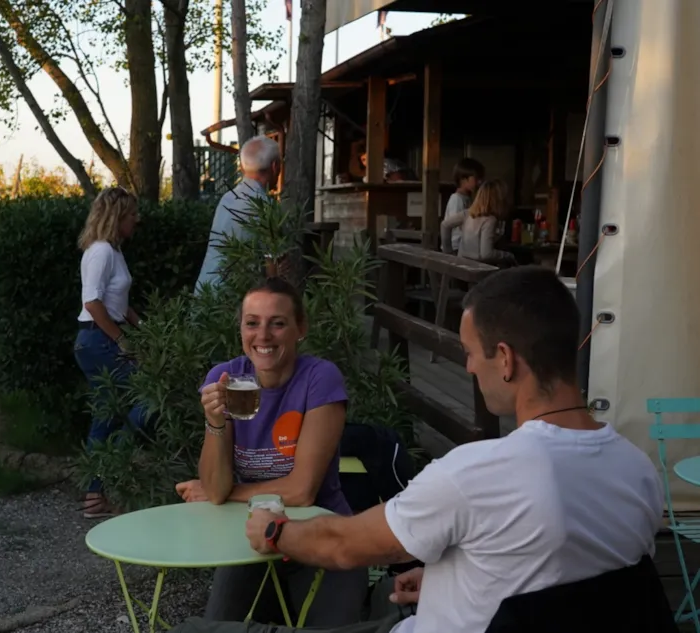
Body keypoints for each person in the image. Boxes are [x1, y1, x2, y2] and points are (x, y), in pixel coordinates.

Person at [175, 266, 663, 633]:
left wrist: (275, 529)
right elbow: (564, 583)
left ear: (507, 361)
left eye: (470, 354)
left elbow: (341, 545)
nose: (469, 369)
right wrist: (450, 578)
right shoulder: (638, 470)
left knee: (192, 629)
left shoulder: (477, 473)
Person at [175, 277, 369, 627]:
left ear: (300, 329)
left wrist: (228, 493)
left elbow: (301, 491)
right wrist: (214, 421)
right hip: (251, 538)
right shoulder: (226, 378)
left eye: (277, 323)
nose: (262, 336)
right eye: (252, 323)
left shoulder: (319, 379)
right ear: (241, 329)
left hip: (322, 533)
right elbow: (215, 490)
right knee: (221, 626)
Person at [74, 187, 148, 519]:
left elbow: (118, 302)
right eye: (132, 214)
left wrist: (143, 327)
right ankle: (111, 468)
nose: (137, 219)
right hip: (98, 340)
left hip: (100, 338)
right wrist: (122, 340)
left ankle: (94, 497)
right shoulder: (101, 251)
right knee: (150, 397)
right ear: (117, 216)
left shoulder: (114, 252)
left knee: (104, 417)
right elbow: (92, 303)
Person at [194, 136, 282, 291]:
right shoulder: (266, 207)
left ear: (242, 167)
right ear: (275, 166)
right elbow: (273, 270)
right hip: (231, 299)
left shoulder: (227, 198)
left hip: (204, 292)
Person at [441, 178, 516, 265]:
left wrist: (448, 254)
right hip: (478, 269)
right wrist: (507, 255)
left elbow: (445, 225)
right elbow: (486, 254)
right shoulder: (490, 220)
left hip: (462, 263)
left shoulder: (468, 214)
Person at [443, 158, 485, 253]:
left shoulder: (468, 198)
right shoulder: (456, 199)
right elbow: (454, 225)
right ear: (463, 179)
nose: (480, 182)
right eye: (476, 179)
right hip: (456, 247)